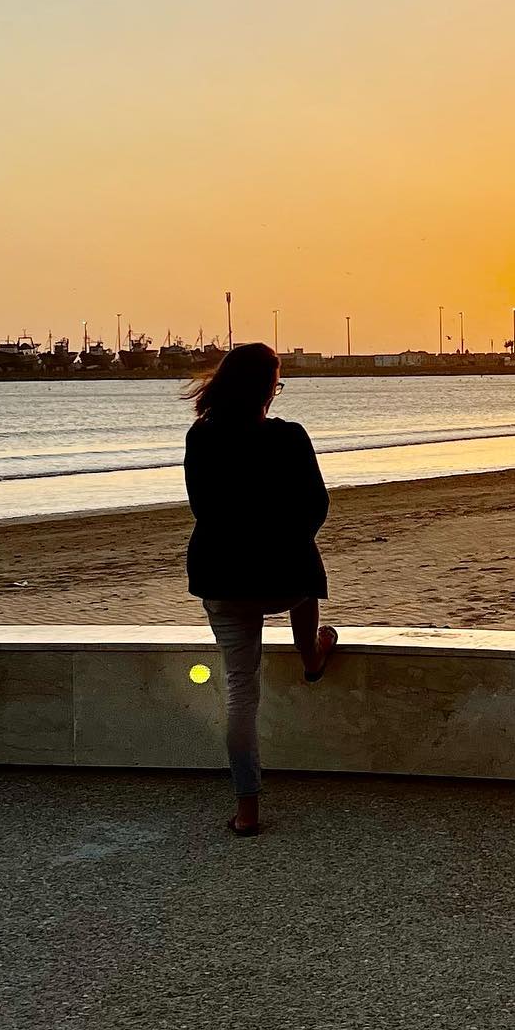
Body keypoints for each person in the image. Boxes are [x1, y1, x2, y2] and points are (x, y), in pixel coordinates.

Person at [184, 342, 336, 837]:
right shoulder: (289, 437)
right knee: (306, 582)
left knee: (240, 690)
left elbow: (203, 509)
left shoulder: (201, 438)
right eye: (277, 382)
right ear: (267, 389)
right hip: (286, 578)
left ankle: (247, 810)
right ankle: (310, 654)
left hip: (223, 577)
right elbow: (315, 505)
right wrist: (284, 542)